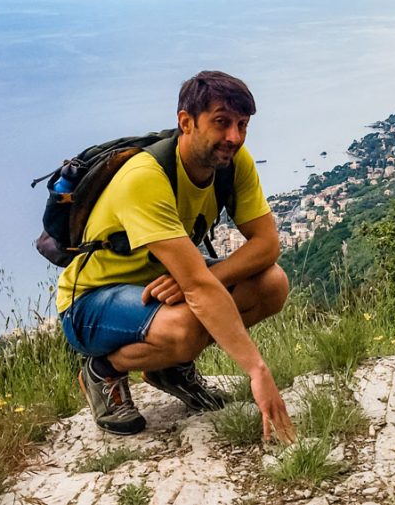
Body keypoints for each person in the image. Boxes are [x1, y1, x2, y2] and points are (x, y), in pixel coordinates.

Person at [57, 70, 295, 442]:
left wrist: (195, 280)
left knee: (272, 284)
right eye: (221, 122)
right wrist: (257, 372)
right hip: (90, 302)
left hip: (161, 285)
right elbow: (198, 289)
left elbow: (266, 244)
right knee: (185, 324)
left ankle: (169, 369)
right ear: (186, 122)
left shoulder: (233, 163)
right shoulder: (145, 177)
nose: (234, 137)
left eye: (242, 125)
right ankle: (102, 370)